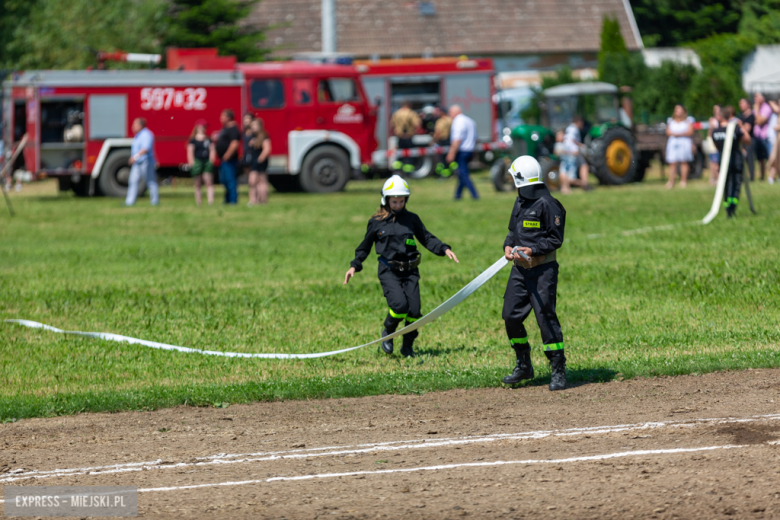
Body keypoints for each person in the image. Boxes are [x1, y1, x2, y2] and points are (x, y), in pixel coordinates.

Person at [343, 175, 459, 358]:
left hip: (411, 271)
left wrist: (444, 249)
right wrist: (354, 266)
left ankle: (407, 346)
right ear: (386, 199)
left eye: (401, 201)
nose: (398, 205)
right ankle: (388, 333)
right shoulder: (376, 222)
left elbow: (426, 238)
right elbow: (364, 247)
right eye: (394, 201)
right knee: (399, 306)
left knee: (414, 312)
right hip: (388, 270)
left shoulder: (412, 219)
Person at [501, 156, 567, 391]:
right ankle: (524, 363)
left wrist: (533, 249)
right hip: (519, 271)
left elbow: (555, 238)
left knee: (545, 318)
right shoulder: (520, 201)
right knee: (510, 315)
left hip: (542, 271)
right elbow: (512, 232)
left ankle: (558, 368)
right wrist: (508, 247)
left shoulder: (549, 204)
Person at [712, 106, 751, 218]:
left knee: (726, 184)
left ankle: (727, 208)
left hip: (723, 162)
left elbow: (716, 147)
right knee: (736, 184)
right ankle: (732, 208)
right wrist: (741, 126)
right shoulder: (735, 129)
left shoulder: (715, 131)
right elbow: (748, 141)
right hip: (736, 160)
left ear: (719, 117)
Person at [446, 105, 479, 200]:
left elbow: (457, 139)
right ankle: (457, 195)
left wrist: (451, 153)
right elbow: (476, 138)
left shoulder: (458, 122)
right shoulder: (469, 120)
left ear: (455, 112)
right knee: (462, 173)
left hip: (462, 151)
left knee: (463, 174)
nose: (449, 115)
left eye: (450, 113)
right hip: (470, 150)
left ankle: (475, 195)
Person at [125, 118, 158, 206]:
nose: (132, 127)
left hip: (146, 162)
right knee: (133, 181)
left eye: (134, 125)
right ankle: (129, 202)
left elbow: (146, 148)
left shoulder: (146, 134)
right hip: (137, 163)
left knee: (150, 181)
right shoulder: (138, 135)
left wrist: (135, 157)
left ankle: (155, 201)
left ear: (140, 126)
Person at [558, 115, 592, 194]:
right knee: (582, 166)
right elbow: (571, 139)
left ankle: (565, 188)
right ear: (579, 122)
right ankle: (584, 184)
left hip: (566, 151)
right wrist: (579, 146)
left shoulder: (569, 128)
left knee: (565, 170)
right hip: (572, 151)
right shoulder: (574, 128)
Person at [665, 105, 694, 189]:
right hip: (673, 143)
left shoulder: (688, 121)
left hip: (684, 142)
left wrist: (679, 134)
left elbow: (690, 131)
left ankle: (683, 181)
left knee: (684, 162)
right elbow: (668, 131)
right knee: (672, 162)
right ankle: (671, 181)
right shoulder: (671, 121)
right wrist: (675, 134)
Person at [215, 109, 241, 204]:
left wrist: (227, 155)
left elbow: (234, 144)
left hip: (230, 160)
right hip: (223, 160)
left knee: (230, 180)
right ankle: (227, 199)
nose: (220, 119)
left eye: (223, 116)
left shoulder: (233, 129)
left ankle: (233, 201)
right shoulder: (225, 128)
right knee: (224, 180)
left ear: (228, 118)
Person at [187, 120, 215, 206]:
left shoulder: (208, 139)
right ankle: (199, 202)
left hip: (206, 162)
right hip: (197, 162)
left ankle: (211, 202)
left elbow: (212, 150)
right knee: (197, 183)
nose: (203, 128)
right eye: (201, 126)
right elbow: (190, 151)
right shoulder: (193, 140)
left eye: (204, 126)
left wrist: (211, 161)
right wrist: (191, 163)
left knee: (208, 182)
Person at [390, 102, 421, 174]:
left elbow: (391, 125)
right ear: (408, 105)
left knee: (399, 154)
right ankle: (408, 173)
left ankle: (397, 171)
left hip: (400, 137)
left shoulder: (396, 113)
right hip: (408, 137)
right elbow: (417, 124)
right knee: (409, 155)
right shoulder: (412, 113)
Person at [247, 117, 271, 206]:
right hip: (254, 161)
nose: (253, 127)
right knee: (253, 181)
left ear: (260, 126)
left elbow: (267, 149)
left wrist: (260, 160)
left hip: (260, 162)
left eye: (255, 125)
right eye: (252, 125)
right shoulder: (253, 137)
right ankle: (254, 200)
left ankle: (263, 200)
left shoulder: (264, 136)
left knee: (262, 181)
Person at [753, 92, 773, 181]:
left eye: (757, 97)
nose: (755, 99)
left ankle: (771, 176)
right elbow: (755, 121)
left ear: (763, 98)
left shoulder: (766, 108)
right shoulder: (756, 108)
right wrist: (758, 118)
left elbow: (760, 121)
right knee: (760, 158)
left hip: (765, 136)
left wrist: (757, 111)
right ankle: (762, 176)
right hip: (757, 136)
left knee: (769, 157)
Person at [432, 106, 455, 178]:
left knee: (443, 159)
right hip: (450, 141)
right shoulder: (451, 119)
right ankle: (455, 173)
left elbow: (438, 132)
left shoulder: (440, 121)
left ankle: (445, 175)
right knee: (451, 158)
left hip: (443, 141)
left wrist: (433, 141)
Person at [739, 98, 755, 181]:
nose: (740, 105)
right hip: (743, 140)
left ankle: (752, 177)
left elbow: (747, 129)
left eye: (742, 103)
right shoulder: (741, 116)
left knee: (750, 159)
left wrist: (740, 127)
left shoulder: (751, 115)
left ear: (748, 104)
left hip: (749, 140)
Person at [706, 105, 721, 186]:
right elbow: (710, 133)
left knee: (716, 162)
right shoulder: (712, 119)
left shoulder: (721, 119)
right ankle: (712, 178)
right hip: (712, 141)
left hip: (718, 141)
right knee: (712, 162)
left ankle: (718, 178)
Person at [767, 99, 780, 184]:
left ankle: (772, 177)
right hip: (778, 137)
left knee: (776, 157)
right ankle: (773, 177)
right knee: (776, 157)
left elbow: (775, 108)